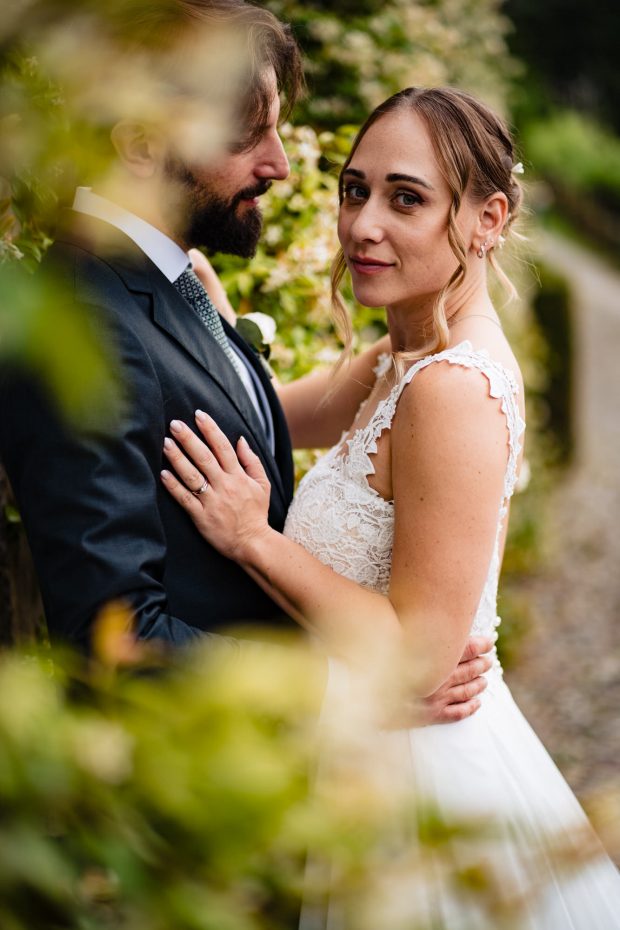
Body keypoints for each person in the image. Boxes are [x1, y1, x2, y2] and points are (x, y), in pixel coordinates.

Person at [161, 86, 620, 926]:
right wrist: (207, 323)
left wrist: (252, 539)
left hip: (425, 785)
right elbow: (265, 409)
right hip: (367, 760)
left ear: (487, 218)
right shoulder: (400, 355)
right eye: (354, 189)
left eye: (405, 198)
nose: (363, 224)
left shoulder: (451, 389)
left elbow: (418, 655)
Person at [0, 1, 489, 723]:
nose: (281, 165)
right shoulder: (86, 329)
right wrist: (348, 690)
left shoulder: (178, 290)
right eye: (249, 135)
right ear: (140, 145)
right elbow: (117, 641)